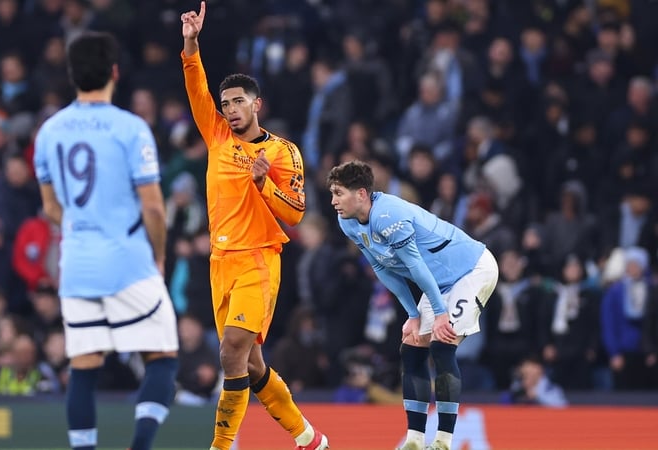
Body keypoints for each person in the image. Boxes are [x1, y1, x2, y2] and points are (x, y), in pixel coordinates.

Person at [180, 3, 327, 450]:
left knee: (230, 352)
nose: (229, 110)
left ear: (256, 104)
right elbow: (195, 85)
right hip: (220, 262)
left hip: (259, 260)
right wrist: (191, 43)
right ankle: (308, 439)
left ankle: (220, 447)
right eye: (225, 104)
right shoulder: (217, 136)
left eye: (238, 102)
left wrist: (264, 184)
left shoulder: (283, 152)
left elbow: (297, 213)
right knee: (254, 364)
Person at [34, 31, 179, 450]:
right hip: (128, 259)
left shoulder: (49, 131)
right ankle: (140, 445)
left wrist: (84, 224)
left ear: (71, 74)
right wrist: (160, 256)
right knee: (162, 357)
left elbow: (50, 208)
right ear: (115, 72)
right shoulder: (131, 128)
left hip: (77, 265)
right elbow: (153, 207)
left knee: (83, 368)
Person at [327, 160, 499, 450]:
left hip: (471, 270)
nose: (333, 201)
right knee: (412, 346)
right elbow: (382, 269)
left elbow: (416, 267)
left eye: (338, 193)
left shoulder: (389, 215)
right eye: (332, 193)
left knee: (442, 344)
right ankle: (415, 441)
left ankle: (444, 441)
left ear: (361, 194)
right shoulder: (348, 222)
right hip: (439, 282)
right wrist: (412, 314)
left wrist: (440, 314)